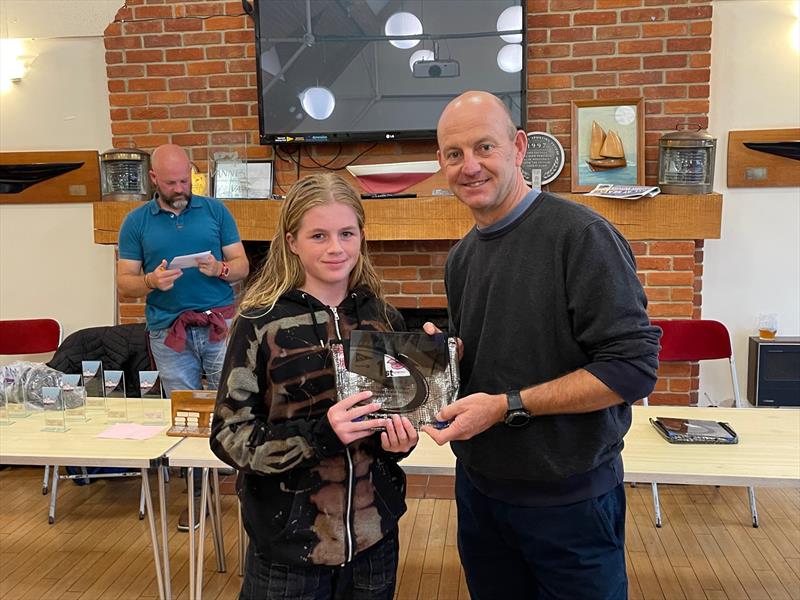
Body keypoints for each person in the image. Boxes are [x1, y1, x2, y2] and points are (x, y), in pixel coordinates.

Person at [421, 91, 662, 600]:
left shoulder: (582, 236)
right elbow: (497, 353)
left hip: (569, 502)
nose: (470, 166)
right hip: (481, 492)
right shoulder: (461, 258)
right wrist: (446, 360)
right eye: (453, 154)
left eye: (484, 147)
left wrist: (509, 405)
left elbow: (632, 369)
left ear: (519, 147)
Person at [210, 173, 418, 600]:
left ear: (362, 236)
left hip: (373, 542)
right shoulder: (260, 322)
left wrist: (400, 441)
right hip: (288, 551)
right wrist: (319, 436)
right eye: (318, 235)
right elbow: (229, 436)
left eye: (346, 233)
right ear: (292, 241)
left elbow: (393, 422)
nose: (335, 247)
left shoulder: (382, 320)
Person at [117, 143, 249, 529]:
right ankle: (197, 496)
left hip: (219, 325)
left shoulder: (215, 211)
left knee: (237, 405)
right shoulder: (136, 222)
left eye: (185, 179)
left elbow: (241, 265)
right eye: (171, 182)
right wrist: (150, 280)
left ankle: (248, 492)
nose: (180, 188)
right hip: (168, 332)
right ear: (154, 179)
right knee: (187, 417)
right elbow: (125, 283)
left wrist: (220, 270)